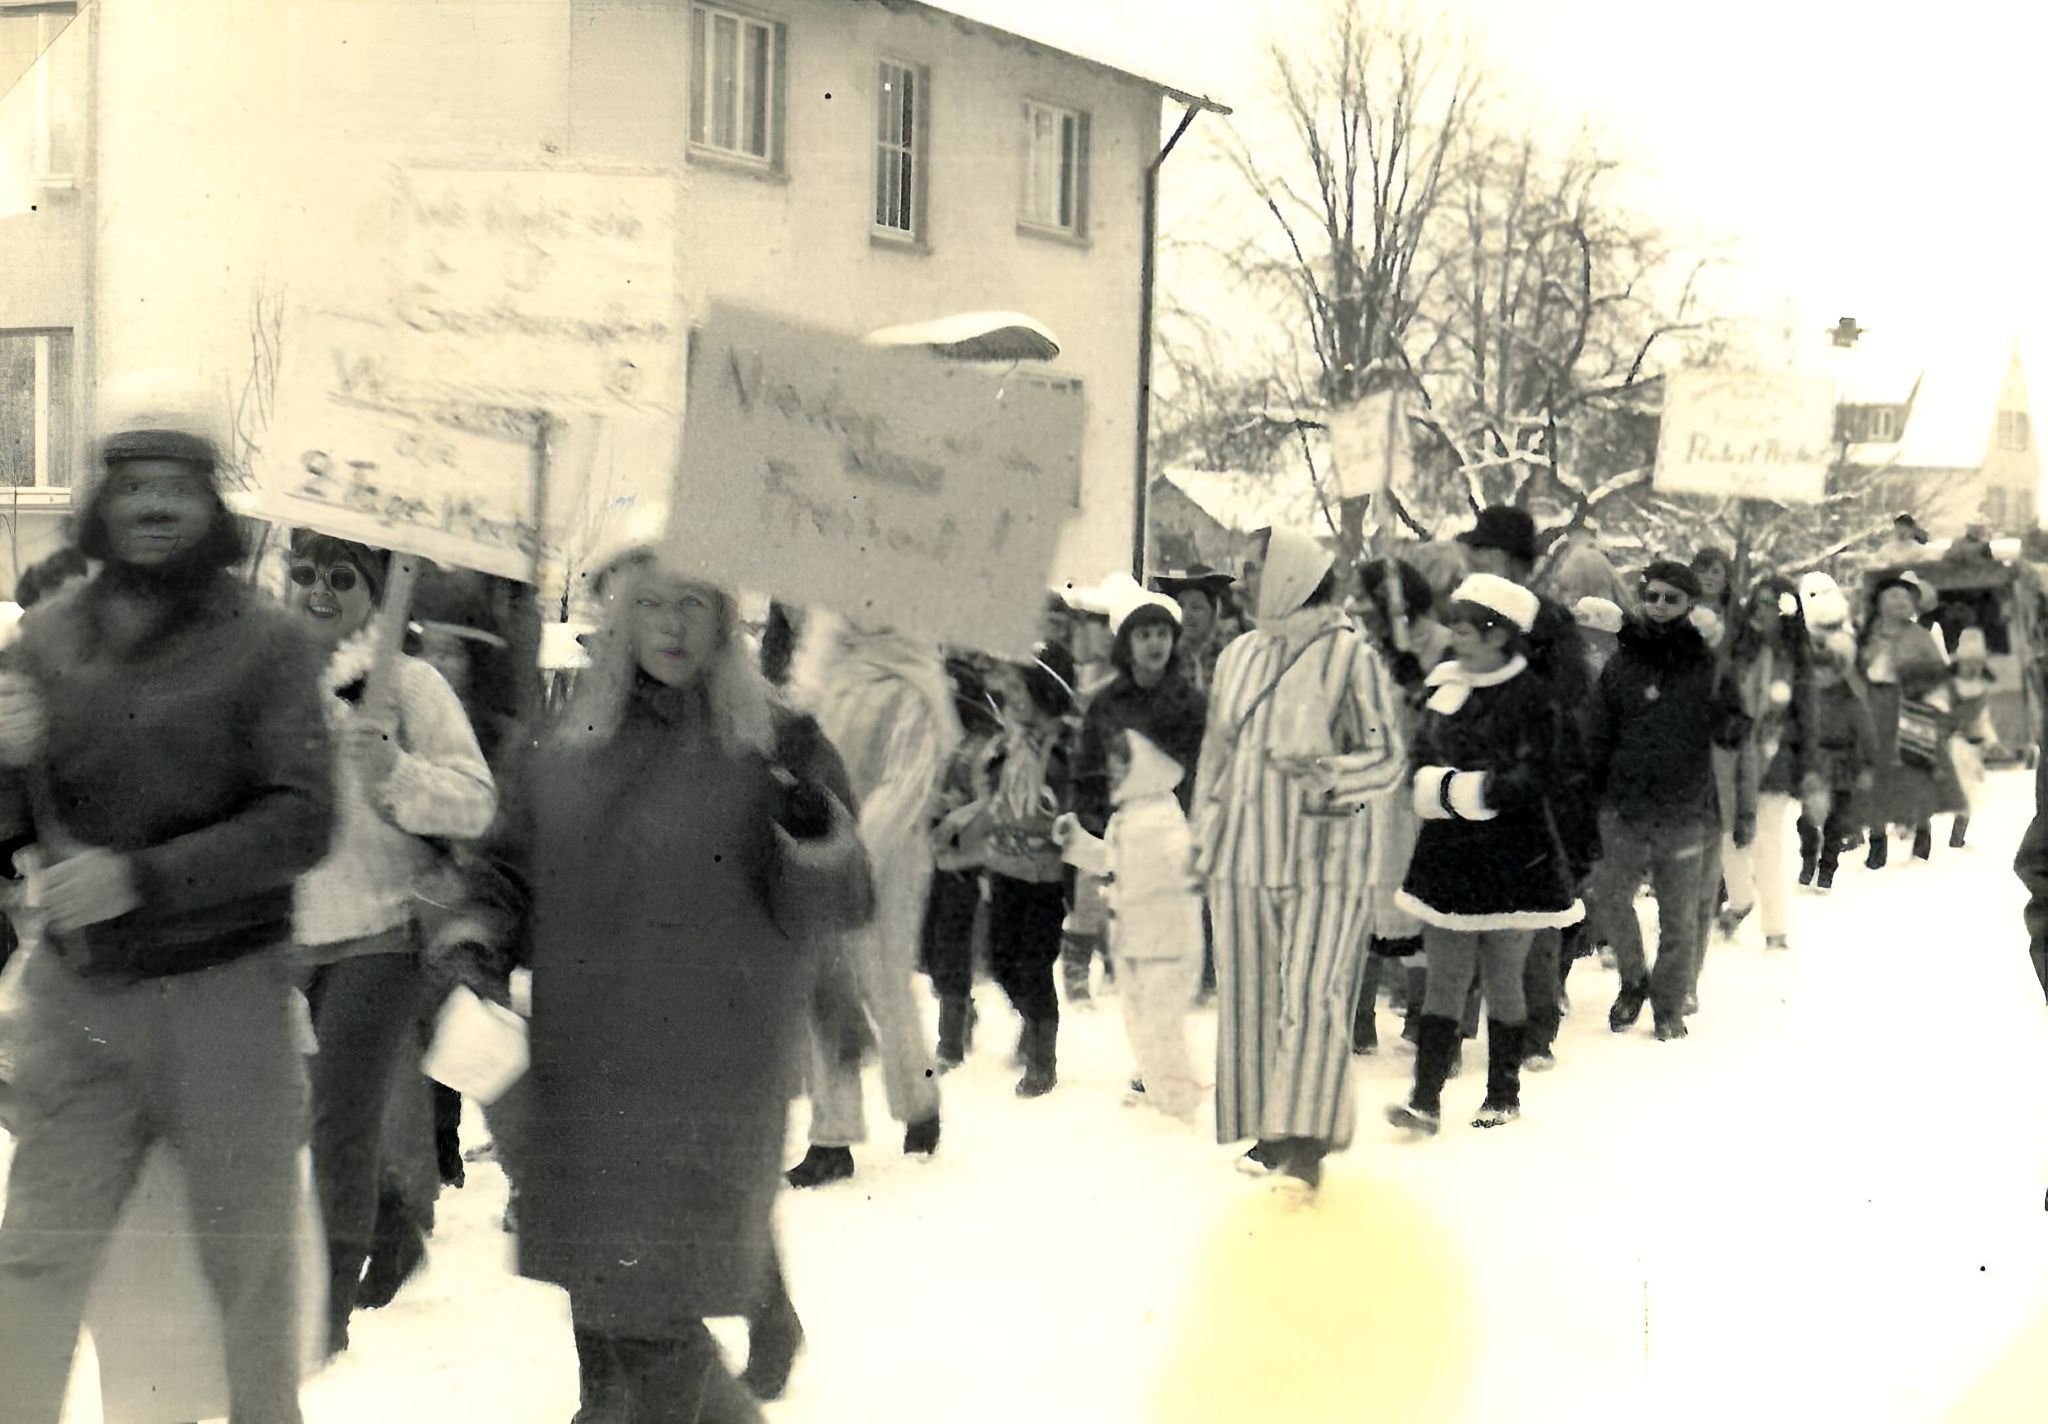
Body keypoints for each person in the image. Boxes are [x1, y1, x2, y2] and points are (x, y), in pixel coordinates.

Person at [472, 550, 871, 1423]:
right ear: (620, 618)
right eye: (653, 603)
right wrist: (474, 941)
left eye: (694, 602)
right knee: (625, 1307)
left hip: (716, 1066)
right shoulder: (563, 739)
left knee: (643, 1318)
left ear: (725, 618)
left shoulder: (780, 742)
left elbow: (841, 896)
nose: (673, 624)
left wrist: (813, 828)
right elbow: (506, 870)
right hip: (590, 1058)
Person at [0, 405, 337, 1422]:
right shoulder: (45, 638)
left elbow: (303, 818)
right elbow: (16, 828)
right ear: (100, 502)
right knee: (32, 1264)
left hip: (225, 996)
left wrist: (140, 876)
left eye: (177, 487)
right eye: (134, 484)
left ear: (210, 504)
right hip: (80, 1001)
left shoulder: (269, 644)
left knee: (250, 1272)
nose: (153, 504)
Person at [282, 530, 498, 1356]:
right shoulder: (266, 686)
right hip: (285, 940)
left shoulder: (412, 685)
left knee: (339, 1121)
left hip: (381, 932)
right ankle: (389, 1223)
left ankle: (325, 1315)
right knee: (305, 1118)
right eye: (304, 573)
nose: (321, 590)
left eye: (342, 575)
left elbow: (477, 805)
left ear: (377, 591)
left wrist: (398, 770)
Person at [1193, 527, 1406, 1199]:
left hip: (1325, 855)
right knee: (1252, 995)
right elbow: (1215, 757)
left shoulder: (1350, 658)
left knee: (1313, 993)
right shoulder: (1235, 658)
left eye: (1254, 568)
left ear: (1291, 573)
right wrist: (1202, 832)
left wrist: (1331, 773)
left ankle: (1308, 1141)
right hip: (1242, 853)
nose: (1243, 582)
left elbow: (1389, 757)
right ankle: (1271, 1129)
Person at [1386, 574, 1583, 1134]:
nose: (1457, 637)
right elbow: (1418, 754)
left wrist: (1465, 792)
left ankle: (1503, 1092)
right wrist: (1432, 789)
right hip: (1449, 854)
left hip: (1513, 859)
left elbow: (1536, 773)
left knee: (1503, 975)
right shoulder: (1443, 687)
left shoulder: (1532, 697)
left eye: (1467, 629)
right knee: (1445, 975)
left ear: (1501, 636)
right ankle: (1425, 1098)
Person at [783, 614, 957, 1187]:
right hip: (824, 849)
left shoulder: (915, 684)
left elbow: (906, 783)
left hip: (890, 858)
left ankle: (918, 1099)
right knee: (823, 986)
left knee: (884, 985)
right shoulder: (822, 674)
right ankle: (832, 1135)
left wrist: (857, 848)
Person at [1456, 507, 1598, 1070]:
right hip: (1474, 774)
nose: (1473, 561)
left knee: (1533, 909)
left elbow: (1569, 695)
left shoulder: (1549, 622)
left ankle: (1537, 1030)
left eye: (1484, 552)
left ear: (1513, 561)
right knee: (1461, 900)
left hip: (1538, 780)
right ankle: (1454, 1025)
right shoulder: (1464, 615)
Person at [1583, 560, 1747, 1041]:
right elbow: (1598, 732)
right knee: (1610, 898)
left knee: (1680, 917)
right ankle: (1634, 979)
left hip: (1685, 808)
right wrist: (1593, 792)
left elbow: (1734, 728)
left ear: (1690, 606)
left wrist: (1732, 714)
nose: (1659, 606)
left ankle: (1668, 1004)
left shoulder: (1708, 664)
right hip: (1624, 806)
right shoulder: (1622, 661)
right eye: (1652, 596)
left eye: (1671, 599)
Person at [1054, 729, 1206, 1122]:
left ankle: (1177, 1101)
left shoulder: (1164, 818)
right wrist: (1077, 844)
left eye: (1122, 769)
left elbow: (1174, 868)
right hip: (1136, 937)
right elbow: (1113, 860)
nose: (1114, 777)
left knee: (1161, 1022)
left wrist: (1130, 884)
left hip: (1166, 941)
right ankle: (1158, 1086)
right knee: (1138, 1019)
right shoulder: (1128, 816)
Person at [1068, 581, 1207, 1009]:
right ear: (1126, 644)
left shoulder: (1190, 703)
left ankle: (1163, 1046)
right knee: (1133, 941)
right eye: (1144, 635)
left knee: (1170, 941)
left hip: (1175, 835)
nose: (1154, 644)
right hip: (1125, 835)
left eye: (1162, 634)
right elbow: (1090, 773)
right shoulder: (1107, 704)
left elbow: (1204, 772)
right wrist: (1094, 832)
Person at [1348, 558, 1452, 1056]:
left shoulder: (1439, 644)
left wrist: (1418, 688)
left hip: (1417, 793)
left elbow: (1445, 719)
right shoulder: (1366, 649)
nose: (1358, 607)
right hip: (1370, 793)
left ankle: (1424, 1014)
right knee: (1363, 903)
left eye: (1368, 598)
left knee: (1415, 904)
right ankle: (1358, 1016)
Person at [972, 642, 1078, 1097]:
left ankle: (1042, 1058)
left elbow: (1076, 801)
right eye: (1009, 689)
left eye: (1022, 689)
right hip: (1004, 866)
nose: (1013, 699)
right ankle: (1033, 1022)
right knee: (999, 958)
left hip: (1047, 874)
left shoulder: (1062, 747)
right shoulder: (1003, 746)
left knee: (1036, 963)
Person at [1858, 571, 1965, 866]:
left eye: (1906, 597)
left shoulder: (1920, 637)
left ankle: (1922, 835)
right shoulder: (1868, 635)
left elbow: (1937, 678)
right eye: (1894, 596)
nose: (1901, 602)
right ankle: (1877, 843)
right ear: (1879, 602)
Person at [1794, 634, 1878, 902]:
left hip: (1843, 765)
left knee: (1835, 824)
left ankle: (1826, 870)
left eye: (1825, 669)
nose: (1820, 675)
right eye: (1816, 670)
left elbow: (1867, 736)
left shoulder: (1852, 701)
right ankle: (1808, 862)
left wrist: (1867, 767)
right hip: (1815, 765)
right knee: (1807, 819)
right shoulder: (1806, 701)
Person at [1943, 627, 1999, 848]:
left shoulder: (1981, 688)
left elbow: (1982, 717)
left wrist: (1990, 739)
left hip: (1972, 743)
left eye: (1978, 662)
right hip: (1953, 742)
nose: (1974, 667)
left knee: (1971, 792)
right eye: (1969, 662)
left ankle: (1958, 836)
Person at [1152, 564, 1237, 694]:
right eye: (1180, 606)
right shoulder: (1166, 656)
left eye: (1196, 607)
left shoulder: (1232, 656)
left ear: (1215, 612)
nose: (1186, 615)